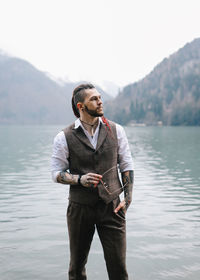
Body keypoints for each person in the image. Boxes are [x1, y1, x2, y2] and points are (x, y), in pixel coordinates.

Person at [51, 83, 134, 280]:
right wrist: (80, 179)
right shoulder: (63, 137)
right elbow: (55, 173)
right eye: (94, 99)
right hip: (80, 209)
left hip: (112, 207)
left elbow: (126, 164)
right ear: (81, 106)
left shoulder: (116, 130)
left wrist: (128, 197)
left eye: (99, 97)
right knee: (77, 268)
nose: (100, 102)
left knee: (119, 270)